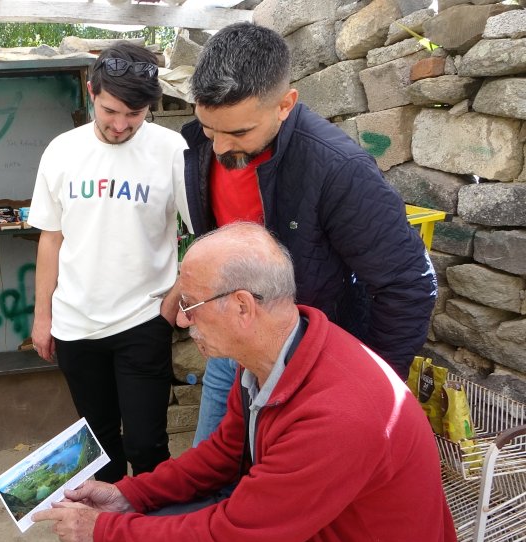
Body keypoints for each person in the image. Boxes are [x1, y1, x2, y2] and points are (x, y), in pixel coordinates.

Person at [34, 222, 461, 542]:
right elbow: (224, 453)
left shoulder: (336, 416)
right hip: (306, 535)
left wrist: (100, 530)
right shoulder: (275, 356)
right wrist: (130, 494)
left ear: (242, 306)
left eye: (191, 305)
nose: (182, 322)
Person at [183, 22, 437, 446]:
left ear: (285, 104)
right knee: (212, 467)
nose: (221, 147)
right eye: (210, 129)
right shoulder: (202, 141)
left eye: (238, 133)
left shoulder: (338, 168)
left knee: (277, 490)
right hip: (231, 345)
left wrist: (368, 386)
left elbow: (408, 284)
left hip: (308, 362)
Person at [29, 42, 191, 483]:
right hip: (75, 324)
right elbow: (50, 238)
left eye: (134, 114)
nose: (121, 125)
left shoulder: (172, 150)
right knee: (100, 445)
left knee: (147, 444)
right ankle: (112, 536)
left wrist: (176, 297)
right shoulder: (61, 151)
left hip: (143, 318)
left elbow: (198, 233)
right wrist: (42, 316)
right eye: (110, 111)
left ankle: (156, 538)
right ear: (90, 92)